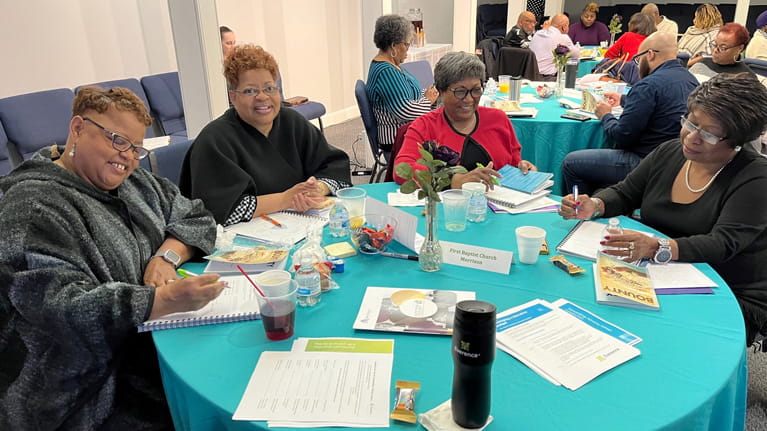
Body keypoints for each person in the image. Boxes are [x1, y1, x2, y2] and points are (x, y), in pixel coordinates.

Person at [0, 86, 226, 429]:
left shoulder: (136, 181)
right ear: (77, 128)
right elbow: (60, 305)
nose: (128, 157)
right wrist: (157, 300)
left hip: (146, 349)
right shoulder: (32, 206)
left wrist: (167, 256)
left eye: (136, 148)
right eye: (117, 140)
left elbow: (196, 216)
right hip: (83, 393)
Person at [559, 73, 767, 346]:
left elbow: (722, 244)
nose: (692, 137)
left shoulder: (755, 177)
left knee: (655, 337)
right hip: (661, 271)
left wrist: (657, 248)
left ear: (737, 141)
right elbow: (625, 192)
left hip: (727, 288)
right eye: (690, 122)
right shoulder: (671, 151)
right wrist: (595, 205)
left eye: (709, 134)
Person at [179, 44, 351, 225]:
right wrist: (285, 199)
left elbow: (334, 166)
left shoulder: (292, 122)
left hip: (301, 225)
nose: (262, 97)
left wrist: (317, 188)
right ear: (233, 97)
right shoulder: (215, 140)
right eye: (250, 91)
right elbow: (221, 210)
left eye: (269, 88)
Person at [562, 32, 698, 195]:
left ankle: (583, 211)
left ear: (650, 55)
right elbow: (664, 102)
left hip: (646, 161)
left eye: (637, 60)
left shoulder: (648, 84)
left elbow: (622, 136)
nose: (637, 65)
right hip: (678, 161)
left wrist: (606, 116)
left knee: (571, 163)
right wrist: (625, 99)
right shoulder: (690, 79)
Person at [393, 52, 536, 189]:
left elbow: (513, 162)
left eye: (476, 90)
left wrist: (522, 168)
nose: (468, 99)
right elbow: (401, 169)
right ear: (441, 91)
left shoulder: (499, 119)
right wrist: (452, 180)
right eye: (460, 92)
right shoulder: (425, 126)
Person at [366, 15, 438, 151]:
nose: (408, 49)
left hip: (406, 132)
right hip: (398, 138)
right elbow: (404, 110)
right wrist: (428, 101)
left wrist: (430, 95)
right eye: (406, 44)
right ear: (393, 46)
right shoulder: (385, 71)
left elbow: (408, 95)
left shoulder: (392, 66)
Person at [688, 23, 754, 82]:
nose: (715, 50)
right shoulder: (702, 64)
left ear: (740, 48)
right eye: (714, 45)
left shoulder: (746, 78)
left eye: (723, 48)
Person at [529, 14, 581, 81]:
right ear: (564, 27)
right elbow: (576, 55)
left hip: (530, 75)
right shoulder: (563, 37)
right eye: (568, 26)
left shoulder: (537, 33)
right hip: (547, 78)